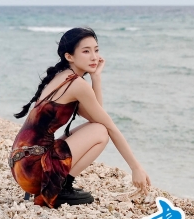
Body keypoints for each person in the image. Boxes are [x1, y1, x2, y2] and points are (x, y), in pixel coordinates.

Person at [9, 27, 151, 208]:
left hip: (22, 165)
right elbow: (107, 125)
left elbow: (96, 117)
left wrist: (96, 77)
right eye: (86, 51)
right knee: (101, 131)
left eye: (96, 50)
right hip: (34, 170)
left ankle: (60, 184)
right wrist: (135, 168)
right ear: (69, 56)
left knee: (97, 128)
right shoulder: (76, 84)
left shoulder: (63, 77)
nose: (94, 57)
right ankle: (61, 188)